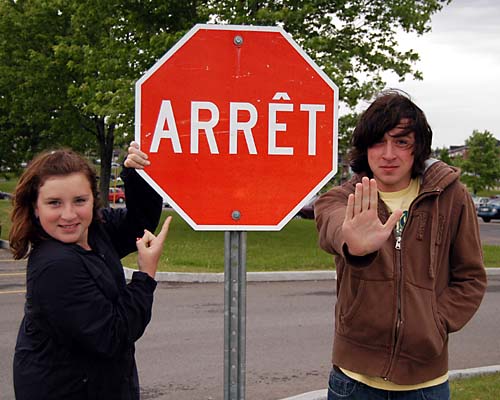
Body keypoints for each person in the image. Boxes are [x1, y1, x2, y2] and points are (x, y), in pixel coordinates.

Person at [315, 90, 487, 400]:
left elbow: (471, 278)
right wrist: (352, 243)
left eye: (401, 142)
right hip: (353, 383)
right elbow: (332, 225)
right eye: (378, 142)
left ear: (417, 147)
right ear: (365, 149)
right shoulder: (343, 199)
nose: (388, 154)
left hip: (426, 384)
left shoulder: (452, 198)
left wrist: (436, 322)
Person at [10, 142, 171, 400]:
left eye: (79, 200)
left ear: (92, 201)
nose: (69, 214)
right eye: (54, 203)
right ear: (35, 208)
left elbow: (137, 225)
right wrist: (145, 277)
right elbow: (113, 335)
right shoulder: (56, 266)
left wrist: (135, 174)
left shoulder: (94, 230)